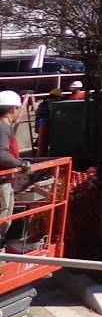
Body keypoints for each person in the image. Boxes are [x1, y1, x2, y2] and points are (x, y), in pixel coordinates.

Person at [0, 91, 38, 253]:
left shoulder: (4, 127)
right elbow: (1, 154)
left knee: (6, 218)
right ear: (13, 110)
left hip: (5, 180)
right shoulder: (2, 128)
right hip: (2, 181)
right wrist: (21, 164)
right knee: (3, 218)